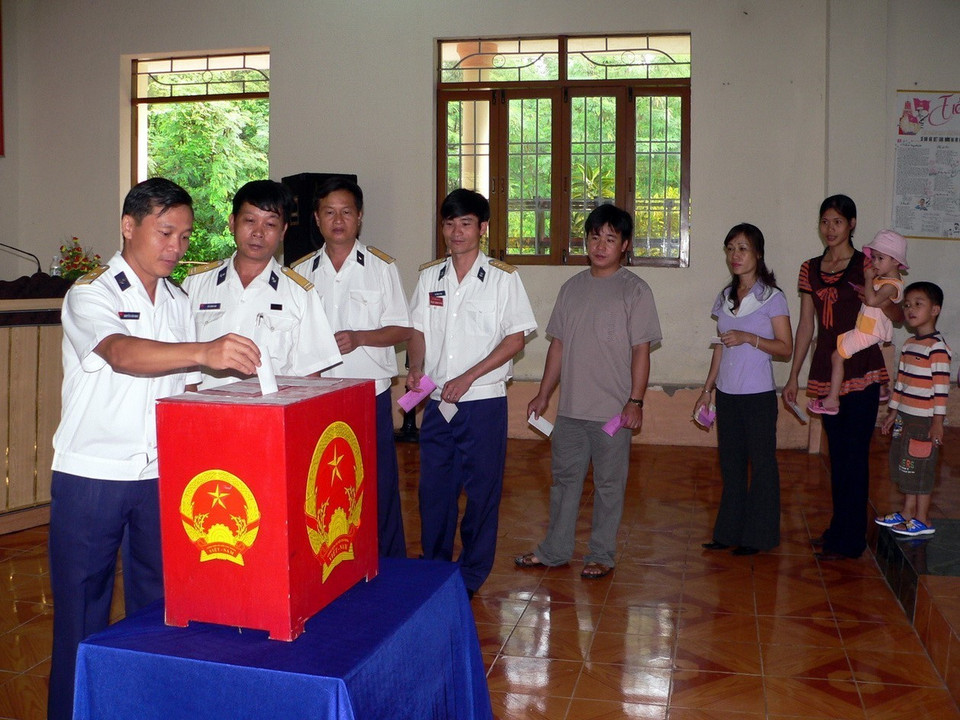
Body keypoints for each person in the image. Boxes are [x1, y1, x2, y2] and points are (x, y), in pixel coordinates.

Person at [48, 178, 262, 720]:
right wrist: (205, 350)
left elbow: (188, 387)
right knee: (82, 610)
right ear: (129, 226)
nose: (176, 247)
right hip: (93, 474)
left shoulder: (178, 299)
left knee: (157, 605)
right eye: (165, 232)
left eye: (185, 237)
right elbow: (120, 352)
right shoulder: (91, 293)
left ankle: (145, 704)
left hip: (160, 475)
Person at [515, 204, 661, 578]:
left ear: (625, 244)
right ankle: (555, 550)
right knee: (564, 483)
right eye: (594, 237)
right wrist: (544, 393)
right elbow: (558, 346)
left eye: (610, 238)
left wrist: (636, 401)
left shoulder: (636, 291)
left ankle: (601, 554)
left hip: (613, 412)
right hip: (570, 410)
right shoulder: (572, 288)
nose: (600, 245)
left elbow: (641, 350)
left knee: (610, 487)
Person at [406, 188, 536, 596]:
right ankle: (434, 569)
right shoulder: (430, 276)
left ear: (482, 228)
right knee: (434, 492)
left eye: (465, 224)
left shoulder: (502, 278)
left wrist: (469, 376)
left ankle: (472, 574)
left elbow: (515, 339)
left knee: (482, 493)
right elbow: (417, 332)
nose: (456, 232)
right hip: (438, 402)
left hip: (481, 402)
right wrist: (415, 368)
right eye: (449, 224)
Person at [292, 177, 412, 558]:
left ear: (359, 218)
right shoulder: (300, 273)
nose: (338, 220)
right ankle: (332, 559)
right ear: (316, 218)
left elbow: (401, 327)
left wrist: (361, 337)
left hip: (367, 394)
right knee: (323, 486)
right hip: (319, 396)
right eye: (329, 212)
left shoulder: (381, 267)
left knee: (376, 483)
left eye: (346, 212)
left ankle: (389, 561)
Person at [783, 195, 898, 561]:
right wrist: (793, 376)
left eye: (837, 221)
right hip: (825, 368)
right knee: (837, 454)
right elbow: (805, 326)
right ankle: (839, 529)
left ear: (852, 224)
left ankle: (851, 539)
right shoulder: (809, 268)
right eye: (824, 221)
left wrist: (881, 298)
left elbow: (893, 309)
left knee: (855, 454)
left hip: (862, 366)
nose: (829, 229)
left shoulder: (869, 264)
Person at [182, 179, 341, 390]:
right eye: (250, 220)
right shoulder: (195, 284)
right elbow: (179, 361)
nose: (258, 232)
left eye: (270, 224)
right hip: (203, 414)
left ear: (283, 231)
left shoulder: (300, 294)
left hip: (268, 417)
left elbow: (311, 377)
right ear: (232, 222)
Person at [695, 224, 792, 556]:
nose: (735, 256)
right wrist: (707, 389)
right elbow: (720, 347)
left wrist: (750, 338)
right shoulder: (725, 297)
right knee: (730, 464)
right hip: (727, 393)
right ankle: (728, 532)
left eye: (743, 249)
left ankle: (759, 536)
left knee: (762, 465)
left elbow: (785, 348)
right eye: (730, 249)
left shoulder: (772, 297)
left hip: (757, 395)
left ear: (758, 254)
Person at [876, 282, 951, 536]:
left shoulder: (937, 348)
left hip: (924, 420)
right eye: (907, 304)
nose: (910, 309)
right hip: (905, 417)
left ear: (935, 310)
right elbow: (901, 382)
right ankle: (907, 513)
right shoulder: (909, 344)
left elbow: (941, 390)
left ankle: (923, 519)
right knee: (905, 464)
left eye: (919, 304)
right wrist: (893, 411)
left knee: (921, 468)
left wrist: (938, 422)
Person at [808, 229, 907, 415]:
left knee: (837, 356)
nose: (875, 263)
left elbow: (872, 300)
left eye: (880, 258)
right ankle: (882, 389)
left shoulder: (892, 284)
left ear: (895, 261)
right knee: (846, 343)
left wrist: (868, 280)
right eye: (874, 257)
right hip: (872, 328)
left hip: (869, 330)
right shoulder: (885, 280)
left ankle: (832, 399)